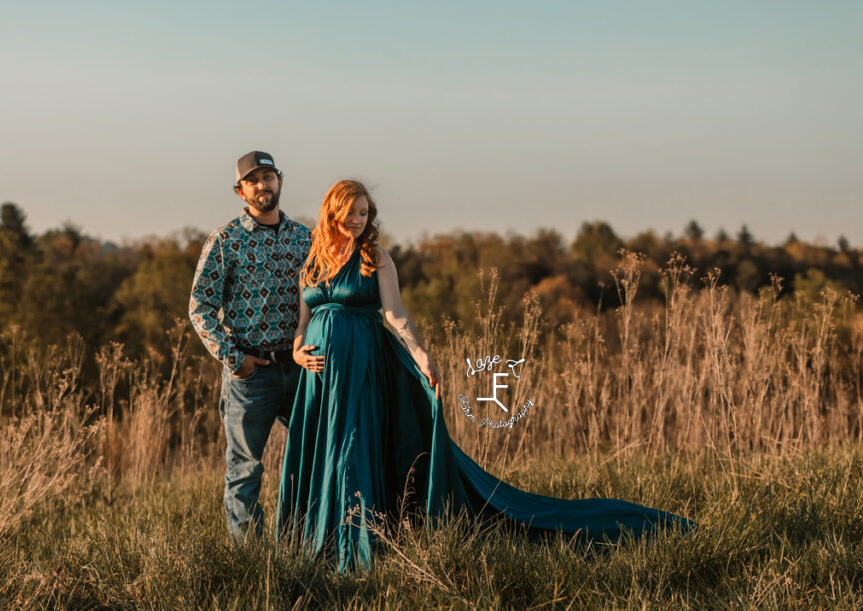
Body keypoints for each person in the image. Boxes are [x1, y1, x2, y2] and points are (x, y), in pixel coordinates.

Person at [276, 179, 695, 572]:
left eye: (365, 214)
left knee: (353, 449)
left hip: (365, 368)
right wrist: (296, 350)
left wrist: (423, 358)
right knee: (324, 449)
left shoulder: (375, 257)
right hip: (320, 378)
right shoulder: (311, 259)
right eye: (351, 212)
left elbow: (394, 314)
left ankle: (357, 548)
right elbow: (303, 320)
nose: (358, 221)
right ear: (333, 212)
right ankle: (319, 540)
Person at [189, 151, 311, 538]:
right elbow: (200, 306)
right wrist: (233, 358)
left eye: (269, 176)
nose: (263, 185)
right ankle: (251, 561)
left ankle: (303, 543)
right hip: (250, 373)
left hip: (302, 368)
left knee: (312, 458)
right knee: (245, 469)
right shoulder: (226, 241)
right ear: (240, 191)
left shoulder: (304, 238)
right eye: (253, 179)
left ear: (280, 181)